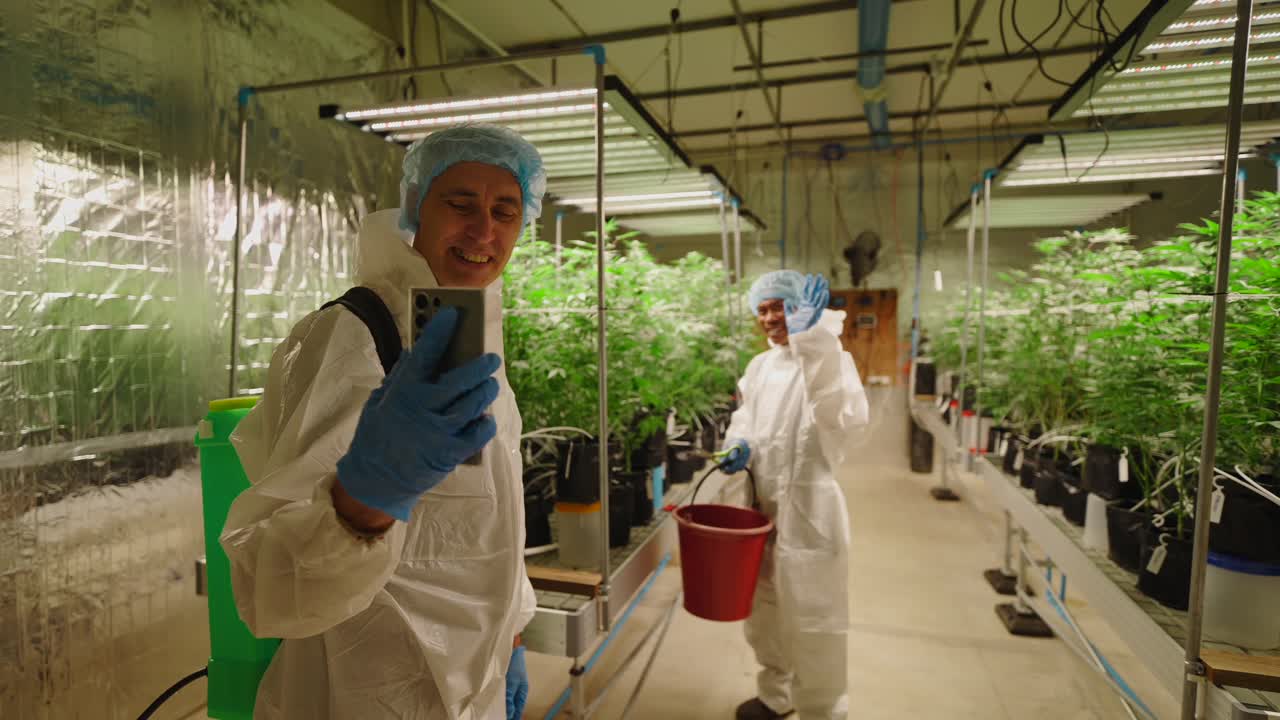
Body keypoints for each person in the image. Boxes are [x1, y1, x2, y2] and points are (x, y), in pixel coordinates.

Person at [220, 124, 545, 719]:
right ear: (416, 209)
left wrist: (512, 634)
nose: (484, 230)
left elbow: (491, 518)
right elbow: (271, 586)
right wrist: (361, 501)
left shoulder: (465, 332)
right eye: (461, 204)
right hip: (365, 682)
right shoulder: (354, 333)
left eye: (506, 211)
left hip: (476, 674)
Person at [719, 270, 869, 720]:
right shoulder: (759, 367)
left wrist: (814, 343)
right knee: (764, 609)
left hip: (809, 510)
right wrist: (735, 447)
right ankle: (775, 694)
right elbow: (745, 418)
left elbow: (841, 420)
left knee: (814, 616)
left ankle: (823, 709)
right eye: (762, 309)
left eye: (780, 306)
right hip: (760, 509)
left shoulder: (829, 359)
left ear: (804, 310)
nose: (770, 318)